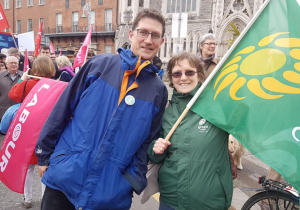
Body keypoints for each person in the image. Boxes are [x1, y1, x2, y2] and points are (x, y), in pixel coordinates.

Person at [35, 8, 168, 210]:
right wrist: (44, 153)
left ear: (162, 41)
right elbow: (62, 109)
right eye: (143, 32)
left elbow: (148, 141)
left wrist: (131, 179)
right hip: (66, 178)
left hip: (111, 193)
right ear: (131, 34)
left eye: (155, 35)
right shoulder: (100, 64)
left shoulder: (158, 90)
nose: (148, 40)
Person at [148, 52, 233, 210]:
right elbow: (155, 156)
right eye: (177, 74)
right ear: (171, 79)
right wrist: (155, 149)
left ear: (199, 74)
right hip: (171, 200)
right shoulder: (167, 110)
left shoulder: (218, 105)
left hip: (210, 201)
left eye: (189, 72)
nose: (183, 77)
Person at [8, 55, 56, 209]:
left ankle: (27, 199)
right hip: (47, 132)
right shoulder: (55, 85)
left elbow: (13, 95)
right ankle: (44, 201)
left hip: (28, 131)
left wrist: (22, 79)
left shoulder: (28, 83)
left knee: (28, 168)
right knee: (45, 167)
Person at [0, 56, 23, 121]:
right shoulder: (0, 76)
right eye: (11, 63)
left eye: (15, 63)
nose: (13, 64)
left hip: (19, 109)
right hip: (3, 110)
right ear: (6, 64)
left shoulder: (24, 76)